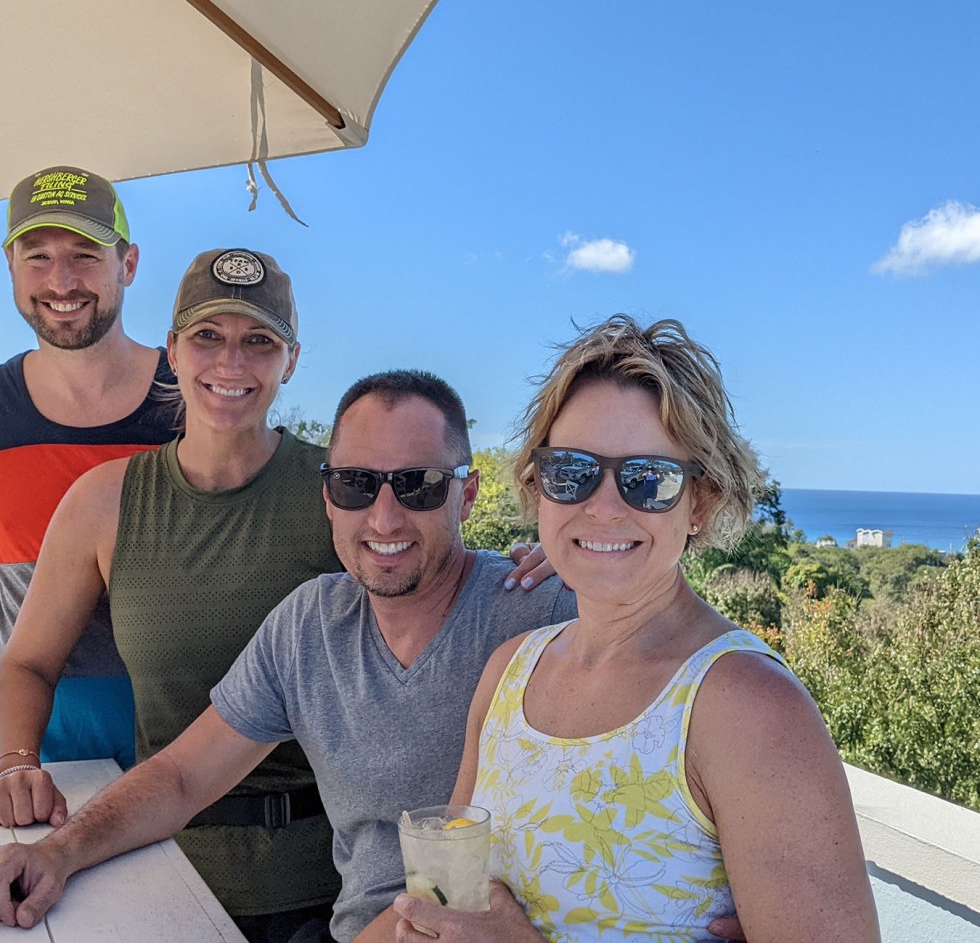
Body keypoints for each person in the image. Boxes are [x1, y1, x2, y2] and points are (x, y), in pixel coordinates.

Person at [0, 370, 580, 943]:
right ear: (328, 496)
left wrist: (592, 577)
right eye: (356, 484)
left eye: (419, 484)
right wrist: (58, 853)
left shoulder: (541, 612)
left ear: (468, 494)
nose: (384, 517)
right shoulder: (310, 626)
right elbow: (181, 778)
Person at [393, 316, 881, 941]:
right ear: (538, 486)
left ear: (699, 503)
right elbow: (463, 890)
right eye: (571, 471)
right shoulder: (511, 670)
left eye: (648, 479)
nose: (602, 505)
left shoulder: (746, 708)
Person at [0, 247, 345, 939]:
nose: (230, 363)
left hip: (330, 883)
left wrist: (538, 564)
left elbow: (439, 587)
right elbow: (26, 661)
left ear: (292, 361)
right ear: (173, 351)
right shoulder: (106, 502)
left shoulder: (342, 492)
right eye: (207, 338)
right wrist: (15, 763)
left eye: (259, 342)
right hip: (148, 868)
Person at [0, 165, 178, 768]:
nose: (61, 280)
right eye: (38, 256)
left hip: (189, 752)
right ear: (10, 265)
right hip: (31, 761)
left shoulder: (196, 402)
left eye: (84, 254)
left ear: (127, 265)